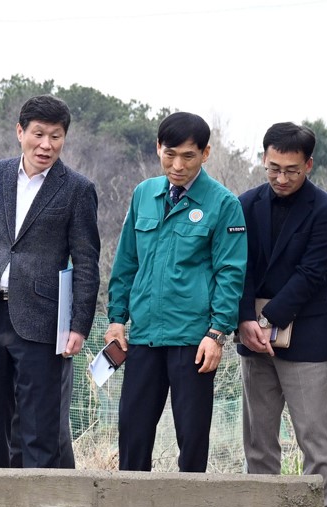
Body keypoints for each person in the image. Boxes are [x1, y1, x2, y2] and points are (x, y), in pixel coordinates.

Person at [0, 95, 99, 469]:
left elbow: (87, 263)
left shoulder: (77, 189)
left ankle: (40, 505)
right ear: (20, 132)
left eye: (56, 136)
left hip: (44, 323)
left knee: (39, 434)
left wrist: (79, 326)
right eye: (38, 134)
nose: (46, 145)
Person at [107, 112, 247, 472]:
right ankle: (131, 505)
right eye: (170, 154)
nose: (178, 165)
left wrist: (217, 334)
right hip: (144, 336)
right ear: (158, 148)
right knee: (133, 433)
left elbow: (230, 273)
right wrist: (117, 319)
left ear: (205, 153)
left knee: (192, 437)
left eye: (188, 156)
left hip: (193, 339)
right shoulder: (144, 194)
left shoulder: (223, 203)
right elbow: (126, 262)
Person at [236, 121, 327, 507]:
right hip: (252, 334)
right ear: (264, 160)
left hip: (304, 336)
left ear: (309, 165)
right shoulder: (245, 204)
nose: (281, 178)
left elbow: (310, 274)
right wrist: (245, 320)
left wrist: (267, 320)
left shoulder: (326, 210)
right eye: (274, 168)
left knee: (313, 432)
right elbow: (237, 267)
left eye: (292, 170)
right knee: (258, 436)